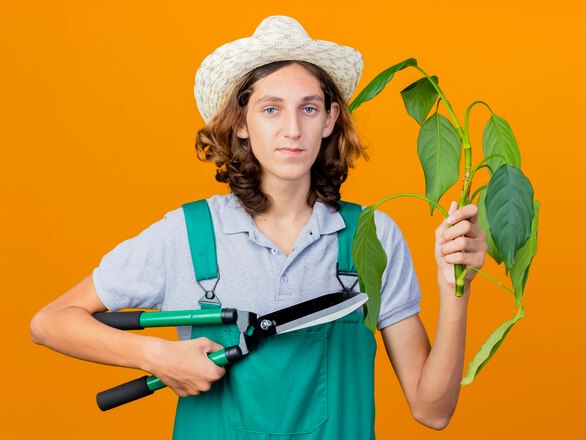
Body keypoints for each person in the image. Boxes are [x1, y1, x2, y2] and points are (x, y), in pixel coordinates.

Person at [30, 15, 487, 439]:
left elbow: (433, 410)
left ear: (329, 120)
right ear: (241, 122)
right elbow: (51, 322)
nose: (292, 129)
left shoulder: (371, 236)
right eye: (271, 109)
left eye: (308, 109)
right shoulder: (187, 236)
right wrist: (157, 356)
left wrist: (454, 289)